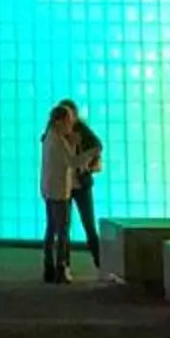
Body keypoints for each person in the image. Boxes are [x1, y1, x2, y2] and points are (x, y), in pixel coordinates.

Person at [39, 100, 77, 283]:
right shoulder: (59, 140)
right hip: (60, 191)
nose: (70, 125)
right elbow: (72, 163)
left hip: (48, 189)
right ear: (59, 122)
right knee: (62, 231)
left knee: (51, 228)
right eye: (68, 121)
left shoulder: (48, 137)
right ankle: (61, 267)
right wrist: (89, 152)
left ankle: (48, 266)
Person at [66, 102, 104, 272]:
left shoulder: (81, 129)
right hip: (66, 184)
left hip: (80, 183)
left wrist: (87, 160)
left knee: (88, 224)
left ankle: (100, 262)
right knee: (63, 227)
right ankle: (63, 265)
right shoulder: (57, 132)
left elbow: (97, 145)